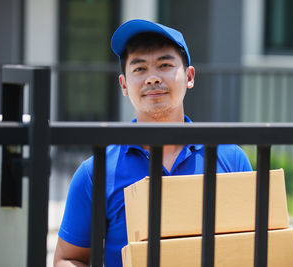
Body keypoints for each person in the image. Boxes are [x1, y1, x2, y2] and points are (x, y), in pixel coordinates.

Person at [54, 19, 253, 267]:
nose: (152, 78)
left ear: (189, 76)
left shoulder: (230, 158)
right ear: (124, 84)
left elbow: (258, 248)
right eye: (139, 69)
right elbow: (69, 258)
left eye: (165, 65)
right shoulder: (95, 172)